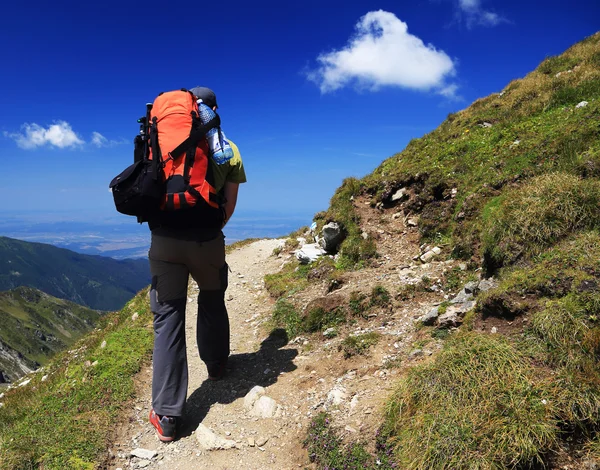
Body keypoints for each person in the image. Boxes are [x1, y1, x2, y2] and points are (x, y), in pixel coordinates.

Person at [147, 86, 247, 442]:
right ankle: (216, 364)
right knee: (212, 296)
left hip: (164, 240)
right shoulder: (227, 148)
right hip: (207, 238)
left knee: (168, 318)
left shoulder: (157, 139)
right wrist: (210, 229)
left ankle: (168, 415)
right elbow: (229, 205)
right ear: (213, 110)